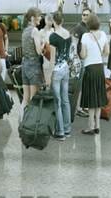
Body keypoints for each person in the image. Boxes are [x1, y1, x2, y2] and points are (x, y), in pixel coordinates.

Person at [77, 14, 108, 135]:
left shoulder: (85, 36)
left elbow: (83, 55)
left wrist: (81, 52)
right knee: (98, 98)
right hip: (100, 68)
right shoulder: (104, 35)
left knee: (91, 99)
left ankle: (90, 126)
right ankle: (97, 125)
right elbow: (107, 52)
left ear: (88, 24)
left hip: (90, 69)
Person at [46, 12, 74, 141]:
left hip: (57, 71)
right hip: (66, 69)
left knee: (57, 102)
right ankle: (67, 130)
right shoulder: (68, 34)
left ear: (53, 21)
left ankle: (60, 132)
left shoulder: (53, 36)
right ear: (62, 21)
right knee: (65, 100)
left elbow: (52, 59)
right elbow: (68, 54)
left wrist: (48, 76)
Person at [21, 7, 44, 106]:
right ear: (32, 18)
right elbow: (39, 51)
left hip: (25, 64)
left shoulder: (25, 30)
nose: (40, 18)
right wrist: (44, 44)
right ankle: (31, 121)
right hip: (33, 65)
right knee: (33, 98)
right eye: (39, 16)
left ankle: (22, 120)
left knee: (25, 99)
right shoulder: (35, 30)